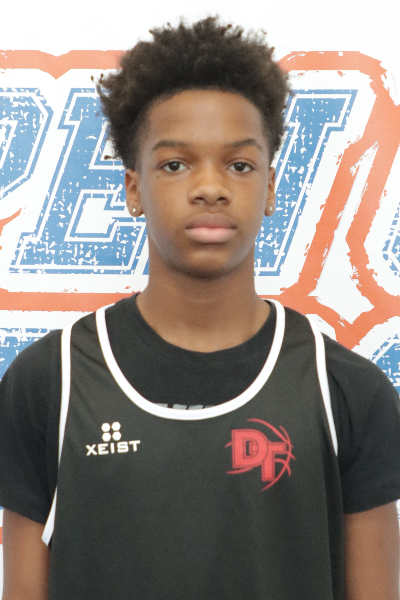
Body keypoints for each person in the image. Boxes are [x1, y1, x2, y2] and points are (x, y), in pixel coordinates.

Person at [1, 16, 400, 600]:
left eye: (239, 165)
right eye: (175, 164)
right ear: (133, 189)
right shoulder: (49, 384)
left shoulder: (346, 391)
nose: (210, 187)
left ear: (270, 188)